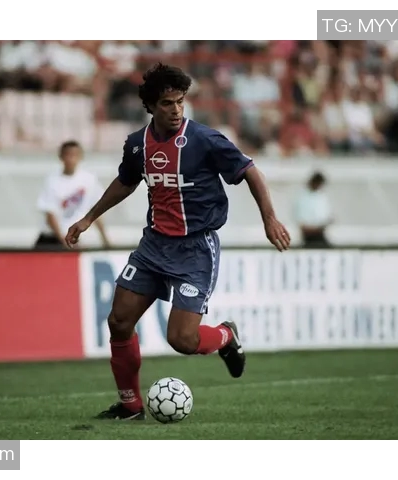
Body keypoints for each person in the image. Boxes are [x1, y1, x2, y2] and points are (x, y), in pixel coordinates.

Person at [66, 63, 290, 420]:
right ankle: (130, 406)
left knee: (182, 340)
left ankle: (225, 336)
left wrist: (270, 219)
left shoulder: (204, 139)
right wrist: (89, 218)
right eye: (167, 103)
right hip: (154, 246)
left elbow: (250, 171)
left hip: (195, 249)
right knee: (119, 321)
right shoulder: (137, 144)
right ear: (151, 106)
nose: (176, 110)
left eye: (180, 101)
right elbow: (126, 181)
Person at [35, 140, 110, 250]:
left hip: (74, 238)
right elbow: (50, 215)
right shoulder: (52, 181)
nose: (71, 159)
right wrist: (63, 240)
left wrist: (105, 238)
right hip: (53, 238)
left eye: (74, 155)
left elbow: (95, 210)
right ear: (61, 157)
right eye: (68, 155)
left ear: (80, 157)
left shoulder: (89, 180)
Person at [293, 171, 332, 248]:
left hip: (320, 232)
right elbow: (301, 220)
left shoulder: (321, 196)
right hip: (309, 234)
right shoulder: (302, 197)